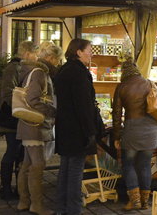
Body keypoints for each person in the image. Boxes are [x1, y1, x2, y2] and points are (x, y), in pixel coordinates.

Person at [112, 56, 157, 210]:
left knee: (128, 164)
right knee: (145, 165)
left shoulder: (122, 87)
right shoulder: (149, 83)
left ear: (123, 72)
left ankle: (134, 200)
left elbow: (116, 115)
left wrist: (116, 136)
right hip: (151, 129)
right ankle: (145, 201)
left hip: (132, 129)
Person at [53, 38, 98, 215]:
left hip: (65, 128)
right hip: (77, 130)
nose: (91, 53)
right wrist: (90, 132)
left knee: (65, 169)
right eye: (89, 50)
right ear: (78, 52)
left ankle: (61, 208)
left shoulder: (64, 70)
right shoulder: (79, 74)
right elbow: (83, 106)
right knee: (74, 173)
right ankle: (73, 210)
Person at [16, 44, 56, 215]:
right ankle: (36, 205)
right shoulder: (38, 72)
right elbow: (33, 99)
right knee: (37, 165)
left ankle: (24, 201)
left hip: (27, 124)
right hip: (35, 125)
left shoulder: (27, 71)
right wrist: (51, 111)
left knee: (27, 164)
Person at [0, 41, 35, 200]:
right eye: (35, 54)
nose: (36, 57)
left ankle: (19, 189)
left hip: (21, 118)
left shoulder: (25, 68)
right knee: (13, 151)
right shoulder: (13, 68)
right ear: (27, 53)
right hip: (11, 120)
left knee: (20, 153)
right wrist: (22, 109)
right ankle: (5, 188)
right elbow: (7, 94)